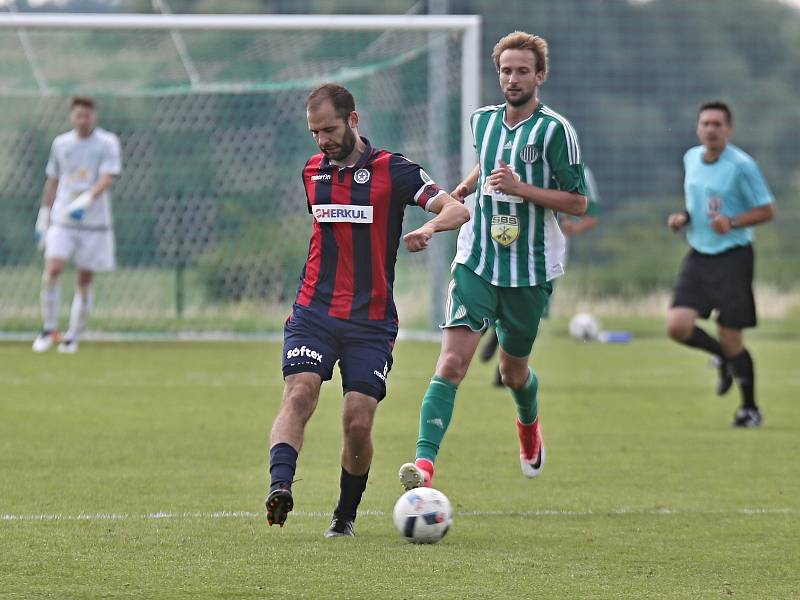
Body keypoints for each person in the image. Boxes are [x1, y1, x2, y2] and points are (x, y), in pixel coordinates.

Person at [265, 83, 469, 537]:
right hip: (313, 311)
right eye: (314, 132)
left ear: (353, 120)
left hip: (370, 322)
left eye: (330, 129)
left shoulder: (393, 170)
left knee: (357, 419)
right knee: (299, 393)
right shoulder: (312, 171)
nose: (322, 141)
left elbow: (457, 209)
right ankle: (281, 486)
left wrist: (429, 228)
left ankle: (345, 515)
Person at [398, 31, 588, 491]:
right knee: (451, 364)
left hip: (530, 272)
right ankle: (423, 466)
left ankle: (528, 428)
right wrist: (465, 187)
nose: (513, 78)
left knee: (512, 371)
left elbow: (578, 203)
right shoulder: (481, 120)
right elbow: (488, 162)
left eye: (523, 70)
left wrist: (522, 189)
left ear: (539, 75)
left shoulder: (555, 130)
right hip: (477, 262)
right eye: (506, 70)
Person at [666, 100, 774, 428]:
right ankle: (725, 360)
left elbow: (767, 210)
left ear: (729, 129)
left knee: (732, 338)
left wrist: (734, 222)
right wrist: (683, 217)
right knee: (677, 326)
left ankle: (750, 408)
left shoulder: (742, 166)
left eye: (717, 124)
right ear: (698, 128)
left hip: (733, 259)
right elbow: (695, 202)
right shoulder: (690, 158)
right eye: (706, 124)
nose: (711, 129)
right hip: (699, 254)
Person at [479, 166, 600, 385]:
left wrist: (572, 228)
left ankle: (503, 370)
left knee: (529, 313)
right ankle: (491, 332)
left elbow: (592, 215)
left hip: (547, 255)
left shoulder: (580, 172)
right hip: (512, 244)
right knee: (500, 297)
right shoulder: (519, 165)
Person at [32, 96, 122, 354]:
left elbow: (108, 176)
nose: (83, 120)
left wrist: (87, 199)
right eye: (78, 115)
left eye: (87, 115)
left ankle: (73, 335)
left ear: (94, 117)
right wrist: (44, 214)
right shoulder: (61, 144)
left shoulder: (107, 143)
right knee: (54, 268)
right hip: (64, 219)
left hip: (93, 222)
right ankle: (49, 329)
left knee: (84, 278)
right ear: (72, 117)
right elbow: (53, 179)